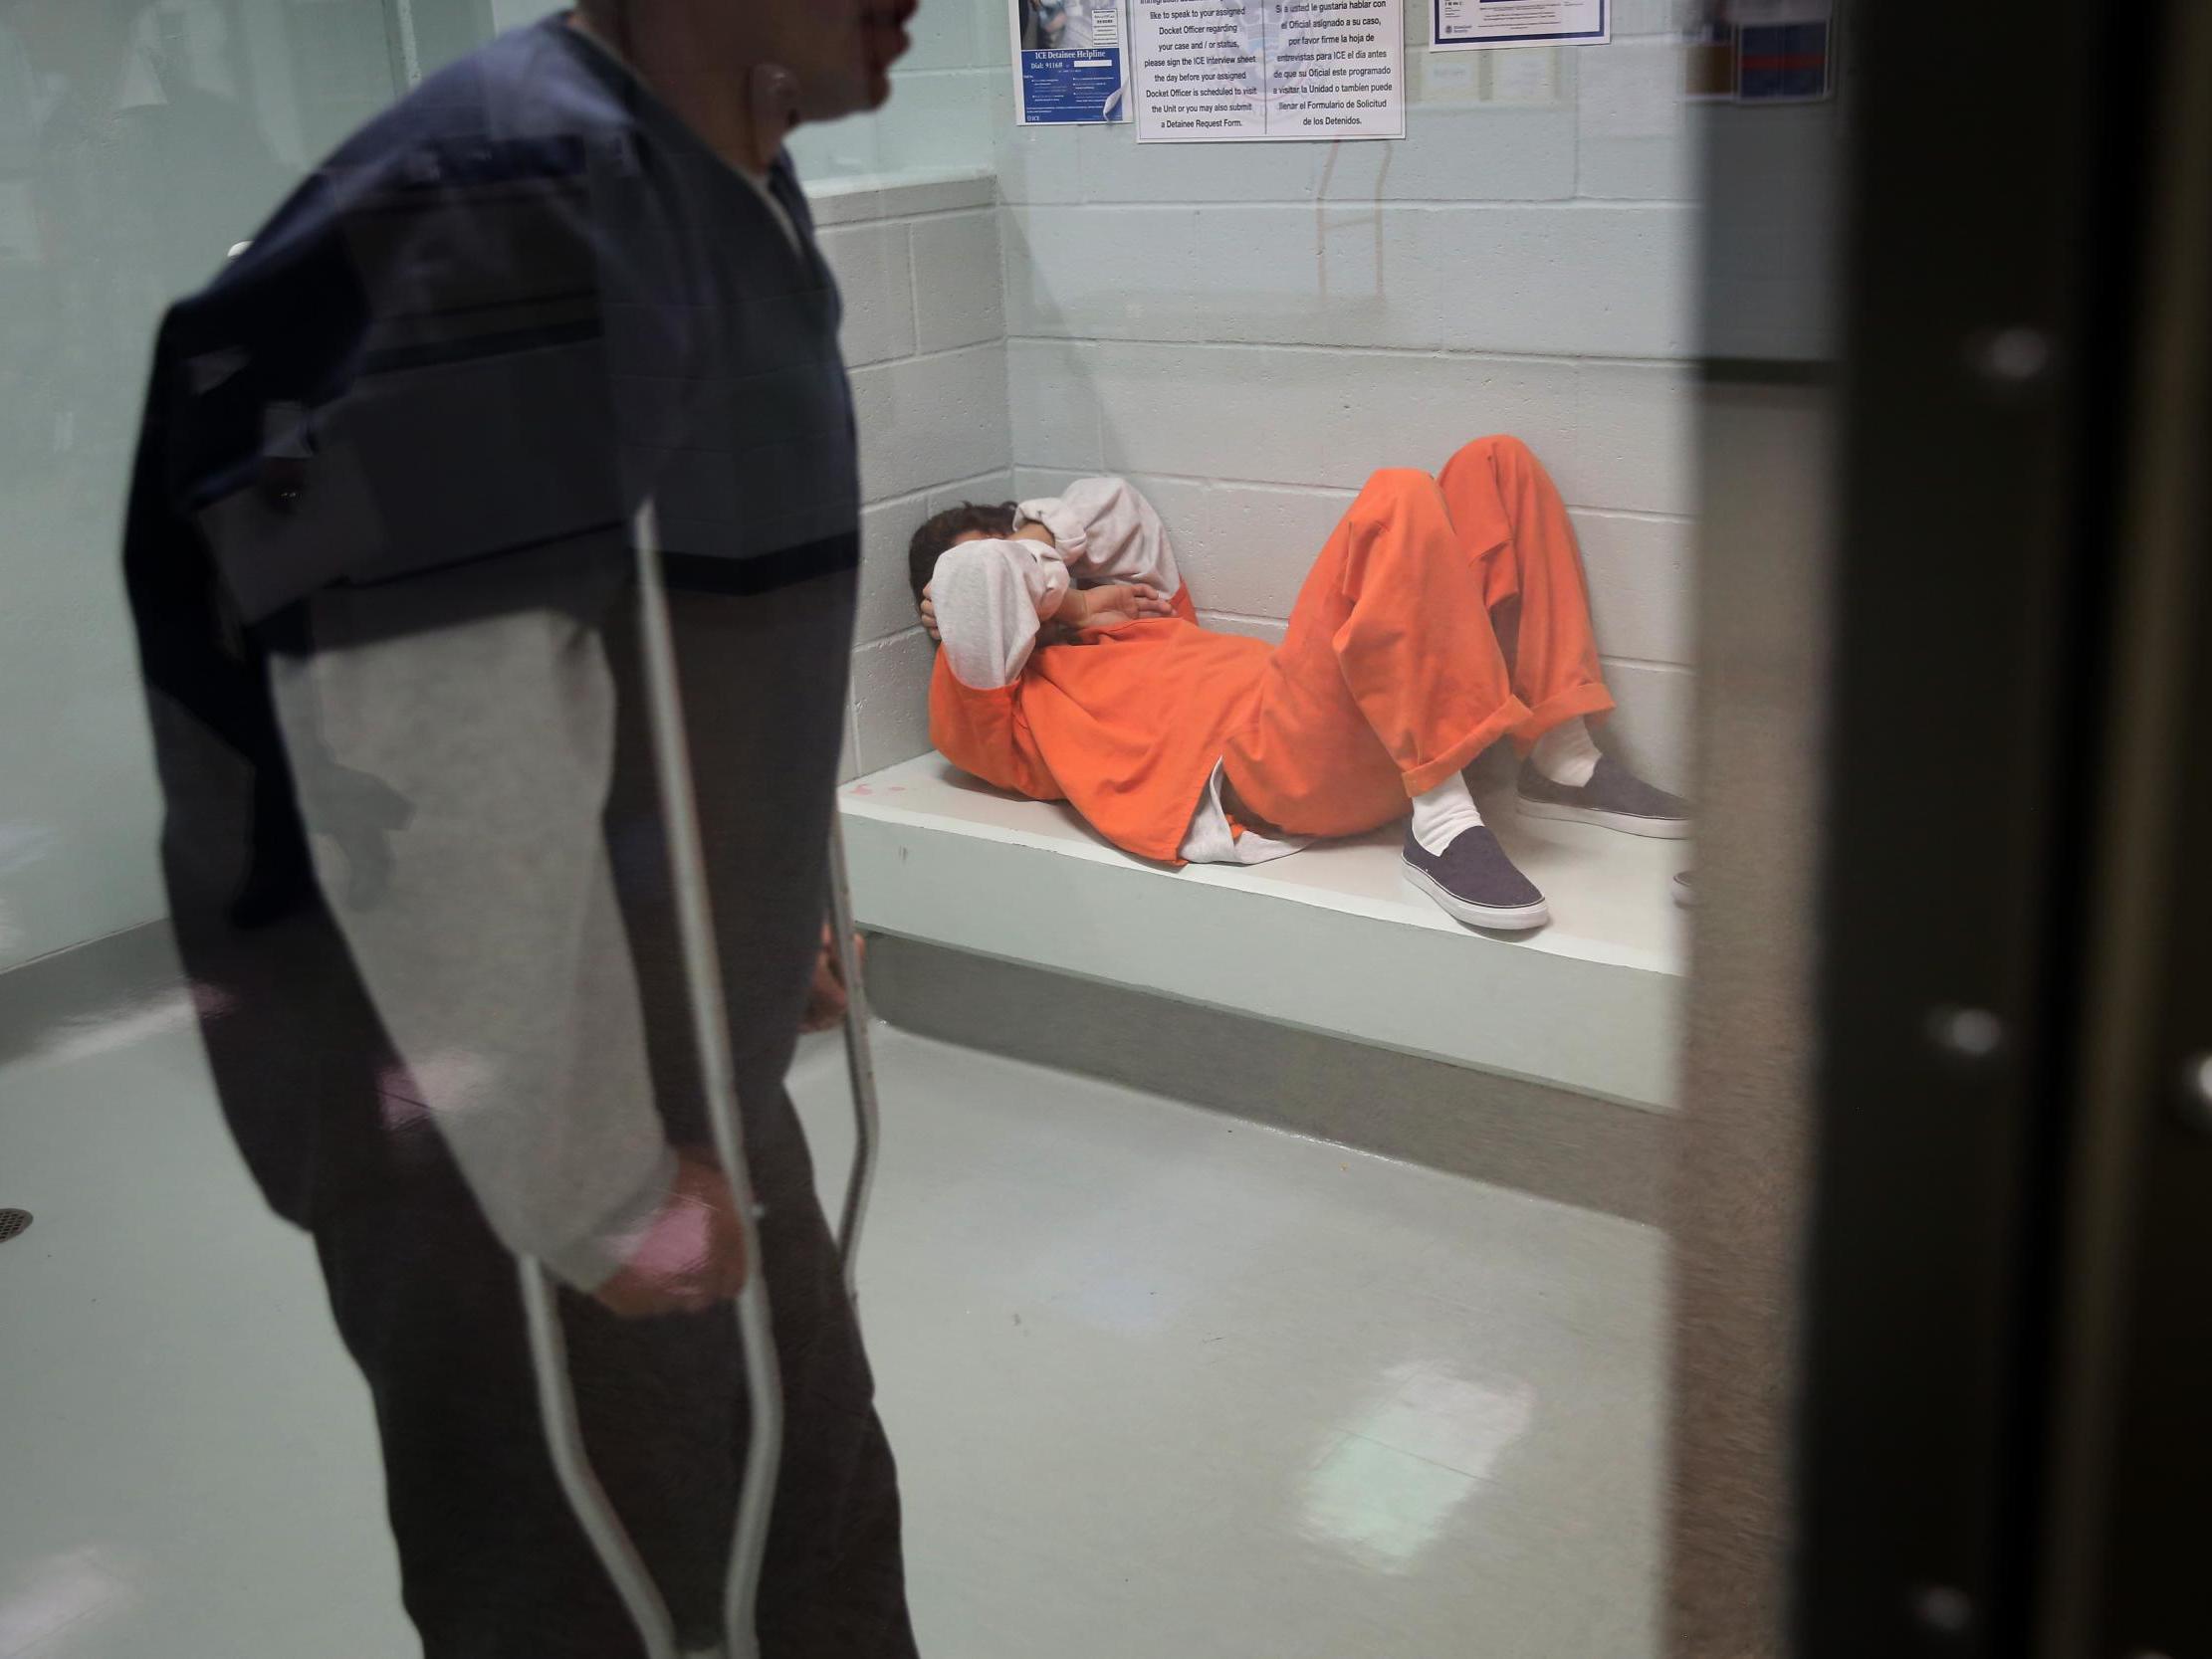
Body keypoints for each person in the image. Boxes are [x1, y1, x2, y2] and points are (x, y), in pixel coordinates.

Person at [121, 2, 922, 1655]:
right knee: (595, 1581)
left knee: (813, 1528)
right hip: (485, 1095)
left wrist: (763, 899)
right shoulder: (508, 208)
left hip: (655, 1024)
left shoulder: (713, 181)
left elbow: (668, 609)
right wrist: (591, 1184)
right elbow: (413, 728)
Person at [908, 436, 1689, 932]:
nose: (1036, 579)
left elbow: (1115, 501)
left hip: (1339, 726)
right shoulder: (985, 703)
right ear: (940, 613)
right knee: (1397, 497)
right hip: (1264, 777)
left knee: (1496, 464)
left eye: (1032, 555)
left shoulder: (1125, 612)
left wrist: (1062, 569)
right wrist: (1057, 587)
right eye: (1025, 570)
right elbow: (979, 579)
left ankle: (1561, 757)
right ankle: (1441, 821)